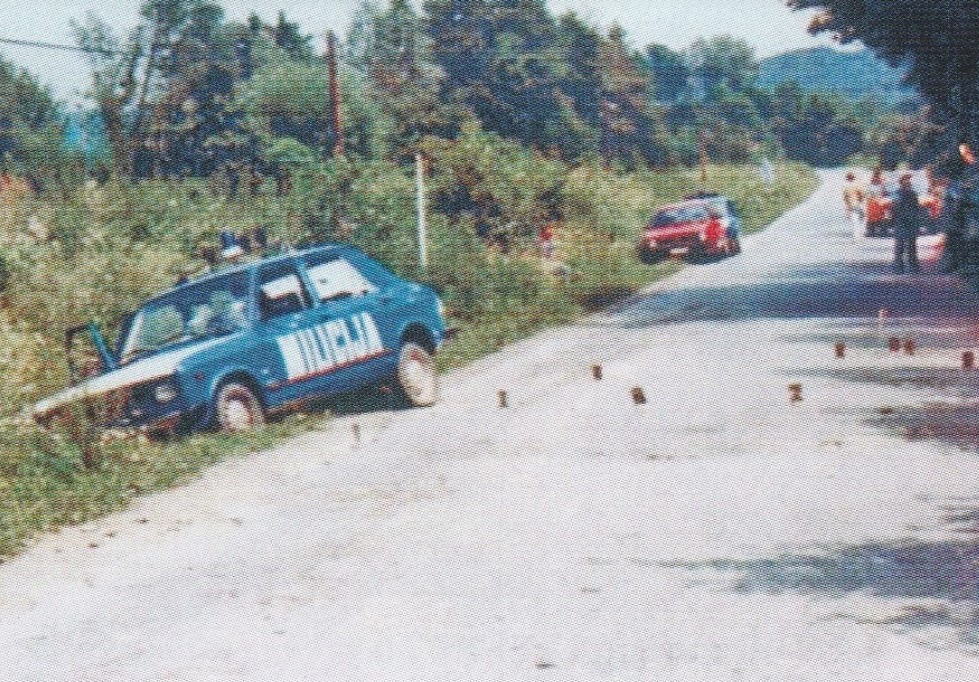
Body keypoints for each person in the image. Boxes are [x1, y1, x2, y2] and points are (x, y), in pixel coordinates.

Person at [892, 172, 922, 274]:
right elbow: (894, 208)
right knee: (900, 246)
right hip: (901, 222)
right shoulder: (898, 194)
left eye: (909, 180)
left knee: (911, 246)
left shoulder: (913, 194)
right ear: (901, 182)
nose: (908, 181)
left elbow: (917, 208)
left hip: (910, 222)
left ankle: (912, 267)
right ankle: (899, 267)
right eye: (906, 180)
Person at [865, 167, 891, 237]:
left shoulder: (883, 182)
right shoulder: (871, 183)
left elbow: (886, 193)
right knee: (872, 217)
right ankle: (872, 230)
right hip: (873, 202)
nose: (878, 177)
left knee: (884, 216)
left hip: (881, 202)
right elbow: (868, 194)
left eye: (878, 174)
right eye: (877, 174)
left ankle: (883, 230)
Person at [842, 171, 866, 240]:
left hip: (851, 205)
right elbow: (861, 195)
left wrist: (848, 207)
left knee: (855, 221)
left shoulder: (845, 186)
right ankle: (861, 234)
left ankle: (856, 236)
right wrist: (862, 202)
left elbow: (845, 198)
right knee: (862, 219)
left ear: (847, 178)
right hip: (858, 204)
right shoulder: (858, 184)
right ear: (853, 177)